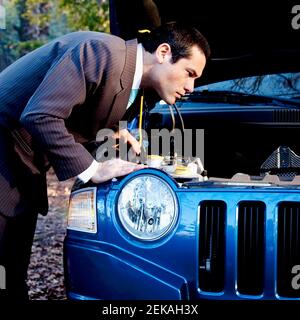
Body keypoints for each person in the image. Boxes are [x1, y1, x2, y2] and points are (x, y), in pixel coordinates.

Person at [0, 22, 210, 299]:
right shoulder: (99, 52)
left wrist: (113, 131)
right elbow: (40, 116)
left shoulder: (134, 82)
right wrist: (93, 169)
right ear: (163, 52)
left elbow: (77, 111)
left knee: (12, 277)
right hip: (5, 163)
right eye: (189, 73)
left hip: (21, 170)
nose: (191, 87)